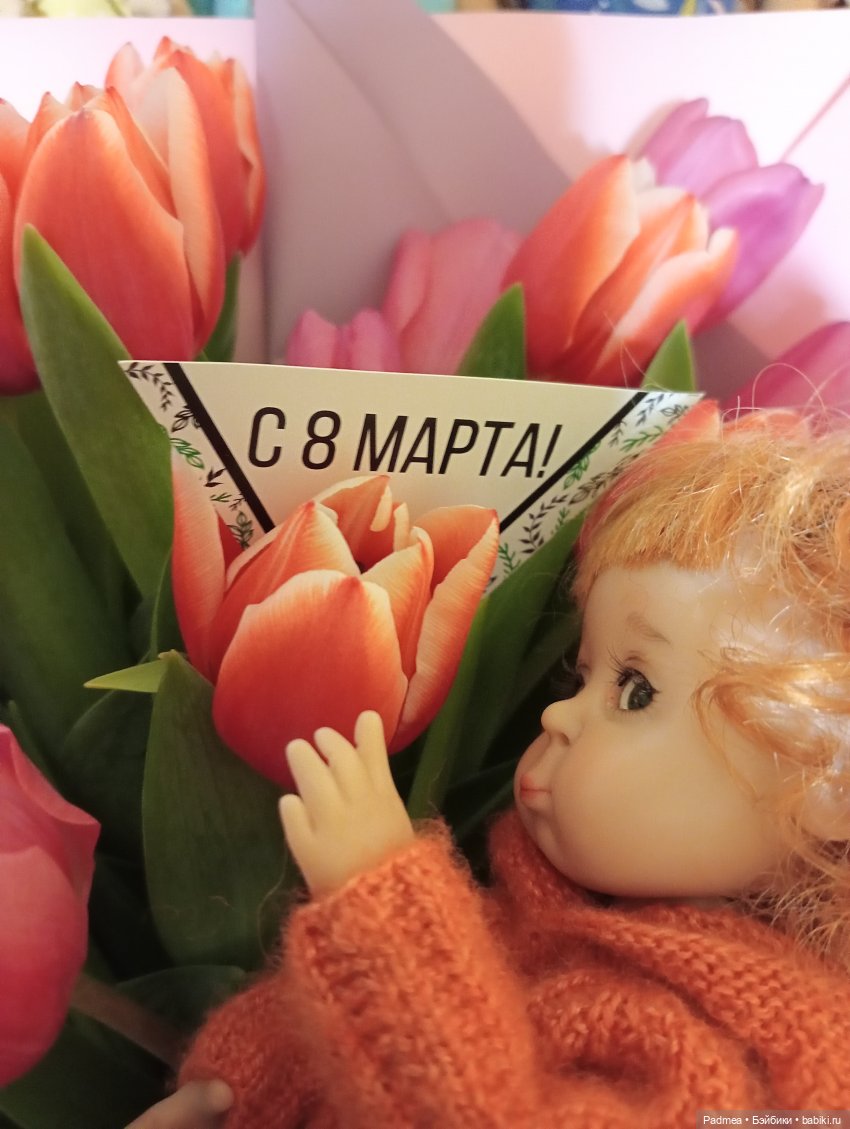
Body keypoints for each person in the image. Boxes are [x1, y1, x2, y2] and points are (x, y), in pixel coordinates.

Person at [130, 409, 850, 1128]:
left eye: (635, 691)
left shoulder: (773, 1056)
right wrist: (231, 1091)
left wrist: (388, 918)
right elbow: (318, 1033)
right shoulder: (537, 922)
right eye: (581, 677)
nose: (558, 715)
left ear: (829, 784)